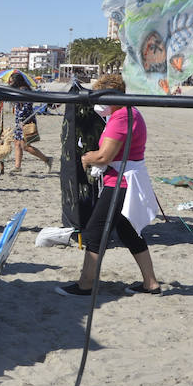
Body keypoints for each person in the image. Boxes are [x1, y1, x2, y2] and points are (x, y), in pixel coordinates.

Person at [57, 73, 160, 295]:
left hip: (121, 183)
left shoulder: (122, 116)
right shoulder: (130, 112)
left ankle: (85, 284)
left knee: (94, 233)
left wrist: (87, 158)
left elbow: (104, 157)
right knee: (129, 232)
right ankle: (150, 283)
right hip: (126, 181)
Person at [7, 72, 52, 173]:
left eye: (12, 81)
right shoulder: (19, 90)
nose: (10, 83)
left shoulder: (24, 90)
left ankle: (47, 159)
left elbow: (27, 106)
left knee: (25, 146)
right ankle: (17, 166)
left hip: (26, 120)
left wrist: (22, 120)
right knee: (17, 144)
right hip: (19, 121)